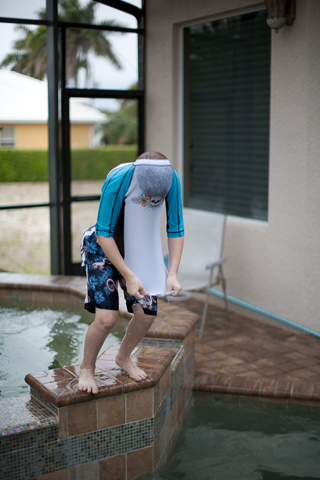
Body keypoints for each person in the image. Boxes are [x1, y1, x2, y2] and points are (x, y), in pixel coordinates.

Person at [78, 151, 184, 394]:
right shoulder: (119, 178)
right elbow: (104, 232)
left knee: (146, 314)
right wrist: (129, 275)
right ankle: (87, 367)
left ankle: (123, 357)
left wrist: (173, 272)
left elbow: (176, 227)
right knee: (107, 319)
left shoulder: (171, 179)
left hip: (140, 249)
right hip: (103, 247)